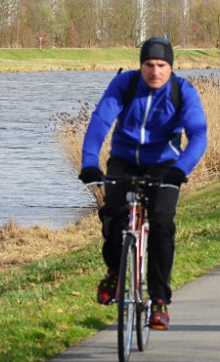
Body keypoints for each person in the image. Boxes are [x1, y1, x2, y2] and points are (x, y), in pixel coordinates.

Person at [78, 36, 208, 330]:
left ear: (170, 67)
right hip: (124, 160)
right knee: (112, 215)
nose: (155, 71)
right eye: (149, 65)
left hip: (165, 165)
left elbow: (198, 134)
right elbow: (100, 120)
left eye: (161, 65)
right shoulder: (125, 85)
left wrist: (180, 169)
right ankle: (114, 272)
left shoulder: (182, 91)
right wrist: (89, 162)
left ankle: (159, 300)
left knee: (162, 224)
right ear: (141, 66)